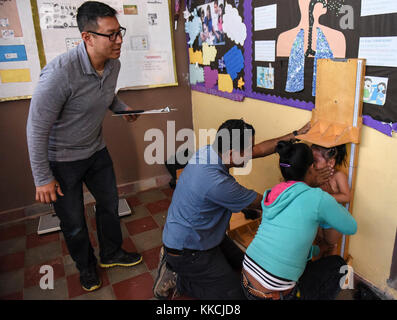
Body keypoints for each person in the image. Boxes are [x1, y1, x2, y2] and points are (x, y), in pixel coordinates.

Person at [26, 1, 142, 292]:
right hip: (62, 161)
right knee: (74, 222)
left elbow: (106, 96)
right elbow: (36, 128)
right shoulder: (59, 74)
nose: (119, 41)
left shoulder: (113, 64)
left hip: (96, 151)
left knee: (109, 206)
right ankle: (86, 267)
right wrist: (42, 177)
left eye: (120, 32)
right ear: (87, 38)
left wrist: (121, 107)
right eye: (111, 35)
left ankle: (112, 253)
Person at [152, 119, 332, 300]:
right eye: (248, 151)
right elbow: (266, 203)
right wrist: (308, 183)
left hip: (203, 234)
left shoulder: (211, 151)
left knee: (242, 264)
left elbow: (260, 150)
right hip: (187, 249)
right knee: (235, 295)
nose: (251, 154)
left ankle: (184, 267)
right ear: (232, 154)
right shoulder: (217, 183)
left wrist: (295, 135)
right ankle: (180, 276)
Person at [241, 141, 357, 300]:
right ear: (311, 169)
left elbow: (288, 239)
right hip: (274, 293)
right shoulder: (317, 197)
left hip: (247, 277)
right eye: (314, 163)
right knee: (338, 265)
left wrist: (316, 250)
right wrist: (323, 199)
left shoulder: (275, 191)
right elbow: (351, 227)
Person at [312, 144, 350, 257]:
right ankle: (320, 267)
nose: (311, 164)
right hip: (319, 217)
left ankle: (331, 268)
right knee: (320, 242)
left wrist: (326, 197)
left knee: (331, 245)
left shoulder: (338, 176)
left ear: (331, 163)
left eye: (315, 161)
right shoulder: (313, 176)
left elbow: (346, 197)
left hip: (332, 221)